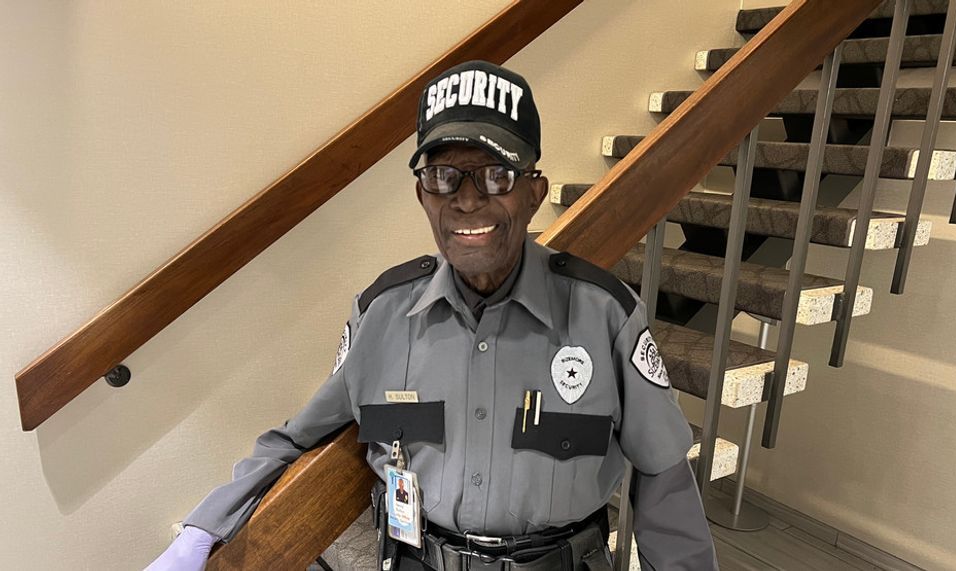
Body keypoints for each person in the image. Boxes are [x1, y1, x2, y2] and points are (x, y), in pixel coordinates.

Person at [146, 60, 716, 571]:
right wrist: (203, 529)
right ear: (423, 197)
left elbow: (665, 479)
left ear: (535, 193)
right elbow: (293, 441)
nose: (467, 201)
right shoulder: (382, 316)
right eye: (444, 177)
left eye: (496, 176)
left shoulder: (605, 315)